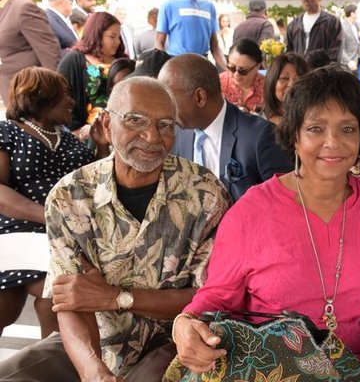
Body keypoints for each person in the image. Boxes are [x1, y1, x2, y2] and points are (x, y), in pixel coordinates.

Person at [169, 65, 360, 375]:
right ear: (294, 135)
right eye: (316, 128)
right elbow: (217, 296)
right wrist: (185, 324)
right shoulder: (251, 212)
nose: (333, 142)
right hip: (276, 371)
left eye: (347, 128)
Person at [0, 76, 230, 381]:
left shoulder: (204, 193)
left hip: (173, 338)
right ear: (107, 125)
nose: (152, 136)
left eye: (165, 125)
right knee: (13, 375)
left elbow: (208, 297)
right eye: (135, 120)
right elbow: (71, 301)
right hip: (95, 334)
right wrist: (93, 371)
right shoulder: (70, 196)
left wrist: (117, 297)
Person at [0, 67, 108, 339]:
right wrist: (50, 215)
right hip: (17, 233)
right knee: (7, 306)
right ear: (40, 97)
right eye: (65, 94)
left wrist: (102, 148)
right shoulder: (7, 132)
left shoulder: (69, 139)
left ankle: (52, 365)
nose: (72, 101)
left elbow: (94, 185)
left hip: (62, 237)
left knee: (57, 297)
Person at [159, 53, 292, 202]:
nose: (165, 109)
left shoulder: (259, 137)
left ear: (200, 97)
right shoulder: (176, 134)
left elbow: (285, 203)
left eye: (170, 100)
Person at [57, 12, 126, 139]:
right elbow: (60, 95)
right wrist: (75, 129)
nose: (117, 42)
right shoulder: (74, 59)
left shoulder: (122, 60)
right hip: (83, 135)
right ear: (97, 34)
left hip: (118, 132)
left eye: (118, 37)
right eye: (112, 37)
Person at [0, 0, 61, 105]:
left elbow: (50, 53)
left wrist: (56, 95)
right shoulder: (3, 9)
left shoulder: (23, 8)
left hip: (33, 95)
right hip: (12, 94)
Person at [155, 0, 227, 71]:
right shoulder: (168, 5)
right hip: (177, 66)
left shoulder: (209, 7)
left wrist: (228, 69)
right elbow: (159, 43)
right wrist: (166, 68)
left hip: (202, 65)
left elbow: (215, 47)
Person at [262, 52, 309, 126]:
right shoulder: (261, 120)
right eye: (284, 78)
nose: (291, 84)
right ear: (272, 82)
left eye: (298, 79)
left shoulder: (313, 119)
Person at [220, 38, 265, 113]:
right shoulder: (218, 83)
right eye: (232, 68)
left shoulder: (267, 86)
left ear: (258, 66)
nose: (236, 74)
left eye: (243, 70)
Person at [340, 3, 360, 77]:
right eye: (357, 11)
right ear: (352, 13)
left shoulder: (357, 25)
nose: (359, 13)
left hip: (357, 61)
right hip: (348, 64)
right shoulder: (342, 26)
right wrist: (349, 62)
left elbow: (356, 42)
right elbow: (340, 48)